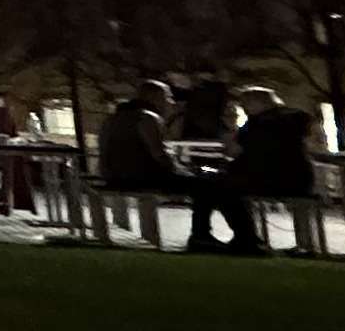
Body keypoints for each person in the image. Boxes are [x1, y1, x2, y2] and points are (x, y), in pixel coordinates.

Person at [189, 85, 311, 255]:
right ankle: (243, 238)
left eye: (244, 104)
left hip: (266, 179)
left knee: (212, 183)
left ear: (256, 103)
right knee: (223, 184)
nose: (243, 109)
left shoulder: (257, 122)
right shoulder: (297, 118)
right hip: (299, 178)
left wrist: (231, 130)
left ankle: (234, 237)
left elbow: (233, 151)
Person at [95, 82, 182, 202]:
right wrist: (180, 170)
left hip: (111, 177)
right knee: (206, 186)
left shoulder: (111, 119)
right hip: (143, 178)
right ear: (154, 98)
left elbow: (103, 150)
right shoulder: (148, 118)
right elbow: (159, 154)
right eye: (168, 97)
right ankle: (201, 220)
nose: (171, 103)